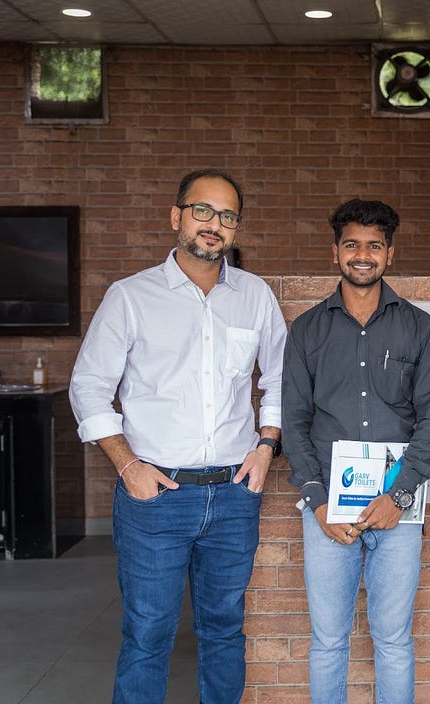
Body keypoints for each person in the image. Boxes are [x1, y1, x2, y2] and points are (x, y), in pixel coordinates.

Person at [69, 168, 286, 704]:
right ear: (177, 217)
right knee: (147, 638)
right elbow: (89, 387)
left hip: (234, 494)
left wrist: (267, 445)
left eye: (228, 215)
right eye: (203, 211)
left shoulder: (255, 296)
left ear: (237, 228)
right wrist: (127, 465)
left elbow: (281, 378)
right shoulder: (131, 297)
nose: (214, 224)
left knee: (225, 633)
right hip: (154, 498)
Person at [282, 199, 430, 703]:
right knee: (329, 641)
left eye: (374, 246)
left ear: (389, 254)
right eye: (352, 244)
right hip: (328, 507)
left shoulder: (419, 327)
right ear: (336, 252)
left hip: (398, 510)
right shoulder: (308, 330)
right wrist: (317, 500)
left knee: (394, 640)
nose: (362, 255)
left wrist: (396, 498)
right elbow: (295, 421)